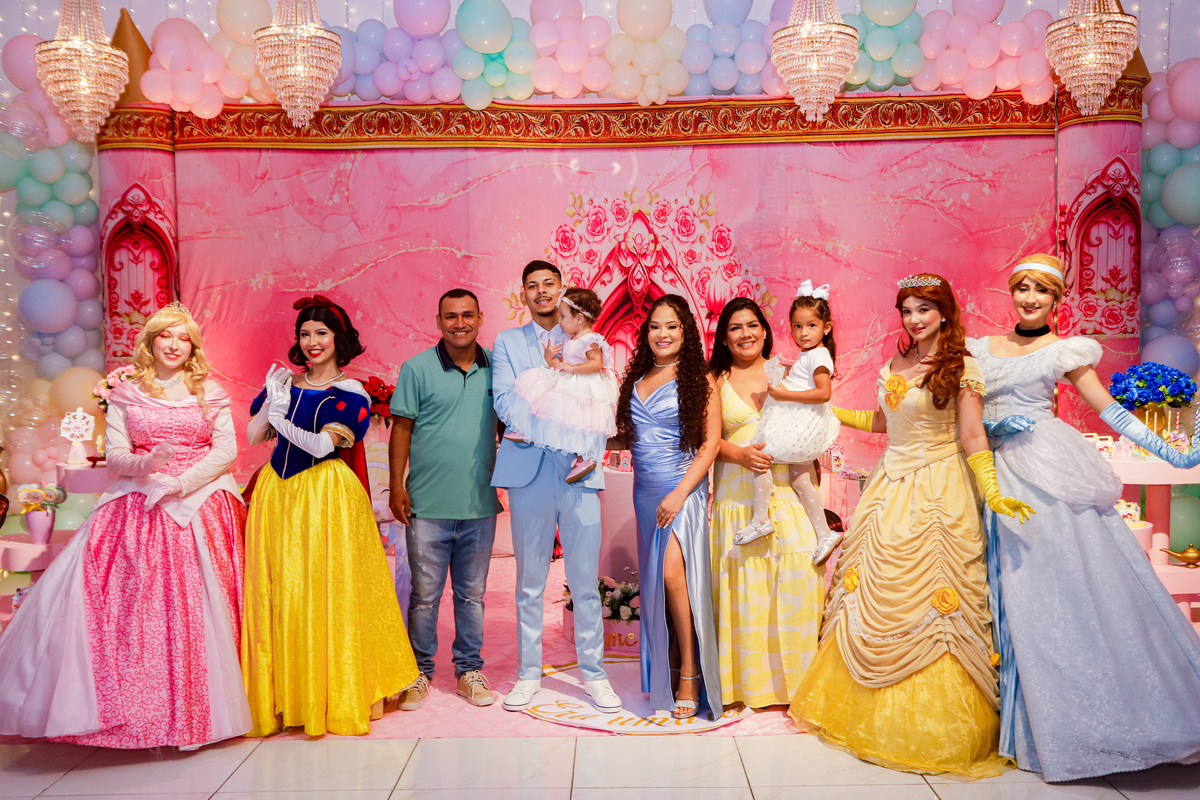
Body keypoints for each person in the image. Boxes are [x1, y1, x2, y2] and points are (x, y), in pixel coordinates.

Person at [788, 274, 1034, 779]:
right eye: (907, 310)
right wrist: (829, 413)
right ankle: (864, 714)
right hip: (889, 486)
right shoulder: (895, 364)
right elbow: (885, 423)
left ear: (944, 313)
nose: (915, 319)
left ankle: (933, 728)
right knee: (872, 588)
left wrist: (992, 491)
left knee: (934, 599)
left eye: (924, 309)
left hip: (940, 488)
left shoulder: (961, 365)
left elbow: (972, 434)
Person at [968, 253, 1200, 781]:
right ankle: (1010, 721)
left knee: (1055, 590)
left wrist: (1173, 453)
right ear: (1012, 292)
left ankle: (1079, 721)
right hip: (989, 467)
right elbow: (965, 410)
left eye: (1042, 291)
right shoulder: (981, 348)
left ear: (1057, 299)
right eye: (1022, 288)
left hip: (1043, 471)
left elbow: (1108, 409)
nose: (1030, 298)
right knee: (1001, 591)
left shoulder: (1063, 351)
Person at [0, 302, 250, 749]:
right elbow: (116, 455)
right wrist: (147, 464)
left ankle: (202, 712)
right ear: (150, 342)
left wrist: (180, 481)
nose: (174, 345)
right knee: (133, 607)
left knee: (201, 607)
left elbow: (225, 450)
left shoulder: (209, 392)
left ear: (192, 347)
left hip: (200, 500)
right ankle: (137, 711)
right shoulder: (127, 393)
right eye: (165, 336)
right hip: (139, 498)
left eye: (183, 338)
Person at [241, 295, 418, 736]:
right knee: (284, 589)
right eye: (304, 334)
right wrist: (269, 405)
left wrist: (281, 416)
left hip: (325, 495)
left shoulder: (351, 393)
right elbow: (253, 436)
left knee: (327, 588)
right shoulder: (285, 382)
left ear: (339, 339)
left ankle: (331, 693)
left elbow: (322, 446)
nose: (312, 341)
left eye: (321, 333)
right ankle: (287, 695)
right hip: (277, 496)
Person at [491, 260, 620, 713]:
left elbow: (603, 391)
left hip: (579, 471)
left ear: (563, 290)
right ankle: (528, 674)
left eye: (550, 283)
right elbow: (505, 402)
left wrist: (565, 428)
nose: (542, 291)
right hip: (528, 469)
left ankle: (594, 674)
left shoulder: (588, 341)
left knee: (584, 580)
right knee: (529, 582)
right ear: (523, 294)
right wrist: (551, 426)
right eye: (533, 285)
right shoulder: (508, 342)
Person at [708, 297, 826, 709]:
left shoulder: (789, 370)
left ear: (764, 329)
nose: (746, 334)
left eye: (752, 325)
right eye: (735, 327)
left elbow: (813, 420)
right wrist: (739, 454)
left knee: (798, 572)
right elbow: (706, 440)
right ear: (725, 337)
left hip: (789, 491)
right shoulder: (715, 379)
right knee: (746, 585)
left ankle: (798, 685)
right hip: (738, 495)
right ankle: (746, 686)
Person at [389, 288, 502, 711]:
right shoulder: (416, 369)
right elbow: (401, 428)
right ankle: (417, 672)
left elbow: (510, 427)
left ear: (480, 318)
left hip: (479, 506)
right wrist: (397, 485)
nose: (460, 323)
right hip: (427, 506)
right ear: (438, 322)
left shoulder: (498, 368)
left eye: (467, 315)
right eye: (451, 316)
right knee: (424, 597)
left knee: (472, 596)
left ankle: (469, 670)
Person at [615, 295, 723, 719]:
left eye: (672, 326)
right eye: (655, 326)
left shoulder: (699, 379)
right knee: (658, 585)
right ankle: (669, 666)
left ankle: (691, 673)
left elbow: (710, 444)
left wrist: (679, 494)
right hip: (645, 493)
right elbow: (631, 436)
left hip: (683, 490)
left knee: (675, 577)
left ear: (686, 332)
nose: (662, 334)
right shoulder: (638, 376)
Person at [742, 280, 842, 565]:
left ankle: (760, 519)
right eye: (797, 326)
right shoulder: (810, 354)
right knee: (800, 478)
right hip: (803, 424)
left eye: (811, 325)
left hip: (799, 424)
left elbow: (823, 393)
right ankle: (824, 533)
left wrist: (783, 393)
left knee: (760, 458)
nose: (803, 332)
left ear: (826, 327)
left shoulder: (818, 355)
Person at [504, 287, 618, 483]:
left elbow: (596, 364)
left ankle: (585, 458)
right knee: (544, 397)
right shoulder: (569, 338)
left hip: (585, 388)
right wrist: (550, 358)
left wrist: (572, 368)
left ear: (579, 318)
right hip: (571, 379)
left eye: (563, 316)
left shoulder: (590, 340)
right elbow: (561, 365)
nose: (559, 320)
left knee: (583, 423)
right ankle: (530, 429)